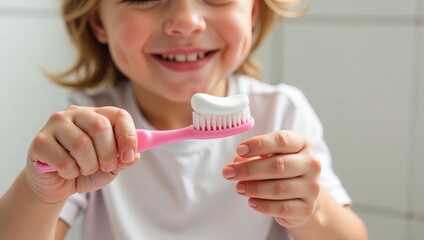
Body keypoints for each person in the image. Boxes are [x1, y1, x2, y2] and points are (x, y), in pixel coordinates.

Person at [0, 0, 368, 239]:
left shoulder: (282, 113)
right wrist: (38, 194)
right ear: (99, 22)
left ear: (253, 11)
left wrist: (312, 211)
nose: (186, 22)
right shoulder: (91, 132)